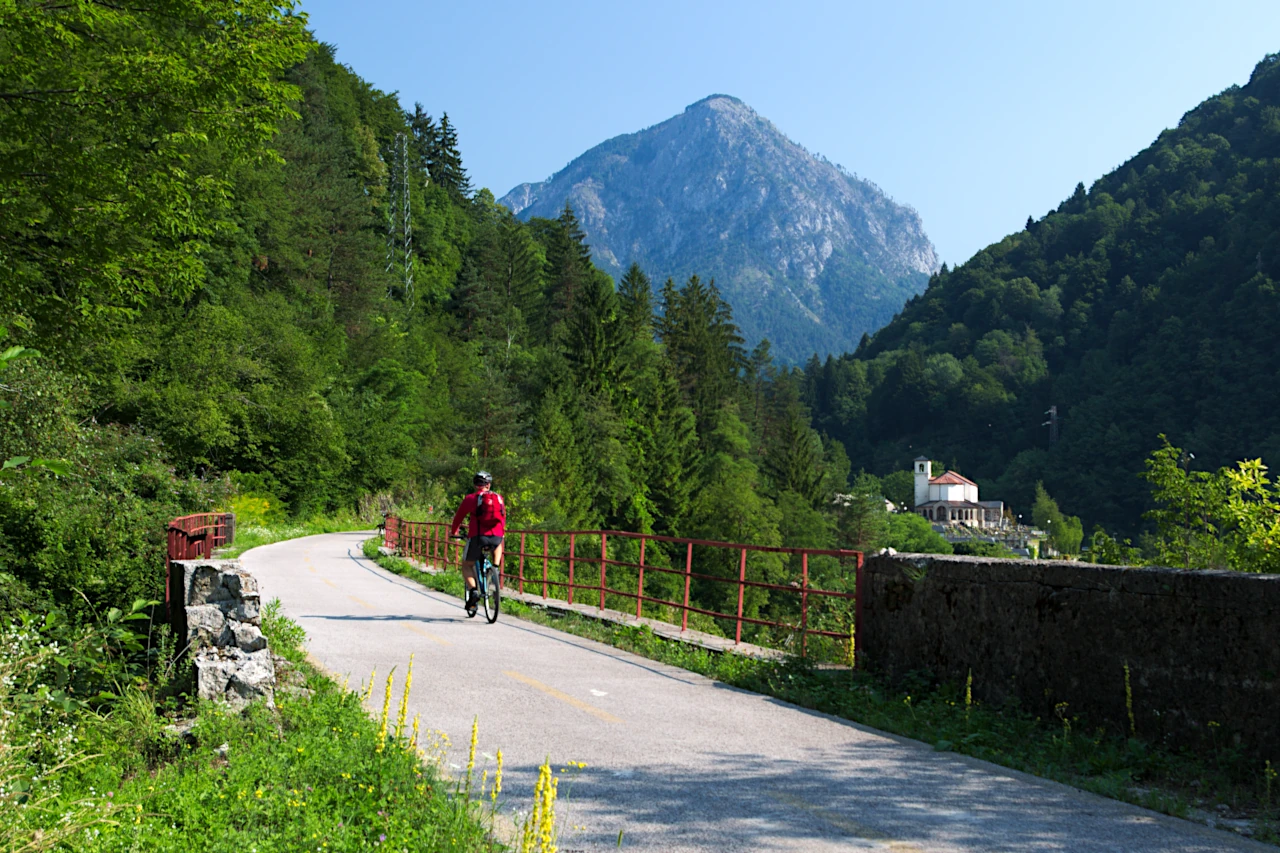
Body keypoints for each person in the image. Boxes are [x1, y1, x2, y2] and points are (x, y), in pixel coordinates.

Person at [449, 471, 506, 616]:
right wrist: (500, 532)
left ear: (475, 485)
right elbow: (503, 517)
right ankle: (495, 567)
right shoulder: (499, 498)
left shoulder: (470, 499)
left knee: (467, 565)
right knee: (500, 541)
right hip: (496, 537)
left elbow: (458, 517)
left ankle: (474, 591)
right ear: (489, 485)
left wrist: (454, 532)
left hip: (477, 537)